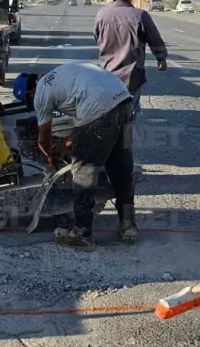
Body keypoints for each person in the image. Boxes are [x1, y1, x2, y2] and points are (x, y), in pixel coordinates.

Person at [14, 63, 136, 251]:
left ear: (30, 92)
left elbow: (44, 138)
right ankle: (128, 226)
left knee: (83, 172)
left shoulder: (41, 91)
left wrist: (49, 158)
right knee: (121, 166)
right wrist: (66, 145)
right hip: (124, 102)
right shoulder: (61, 75)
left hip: (100, 107)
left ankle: (82, 234)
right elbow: (85, 126)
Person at [93, 0, 168, 122]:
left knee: (107, 117)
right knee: (128, 120)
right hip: (131, 79)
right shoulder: (141, 16)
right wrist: (161, 59)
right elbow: (155, 41)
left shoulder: (102, 14)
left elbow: (97, 37)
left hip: (107, 77)